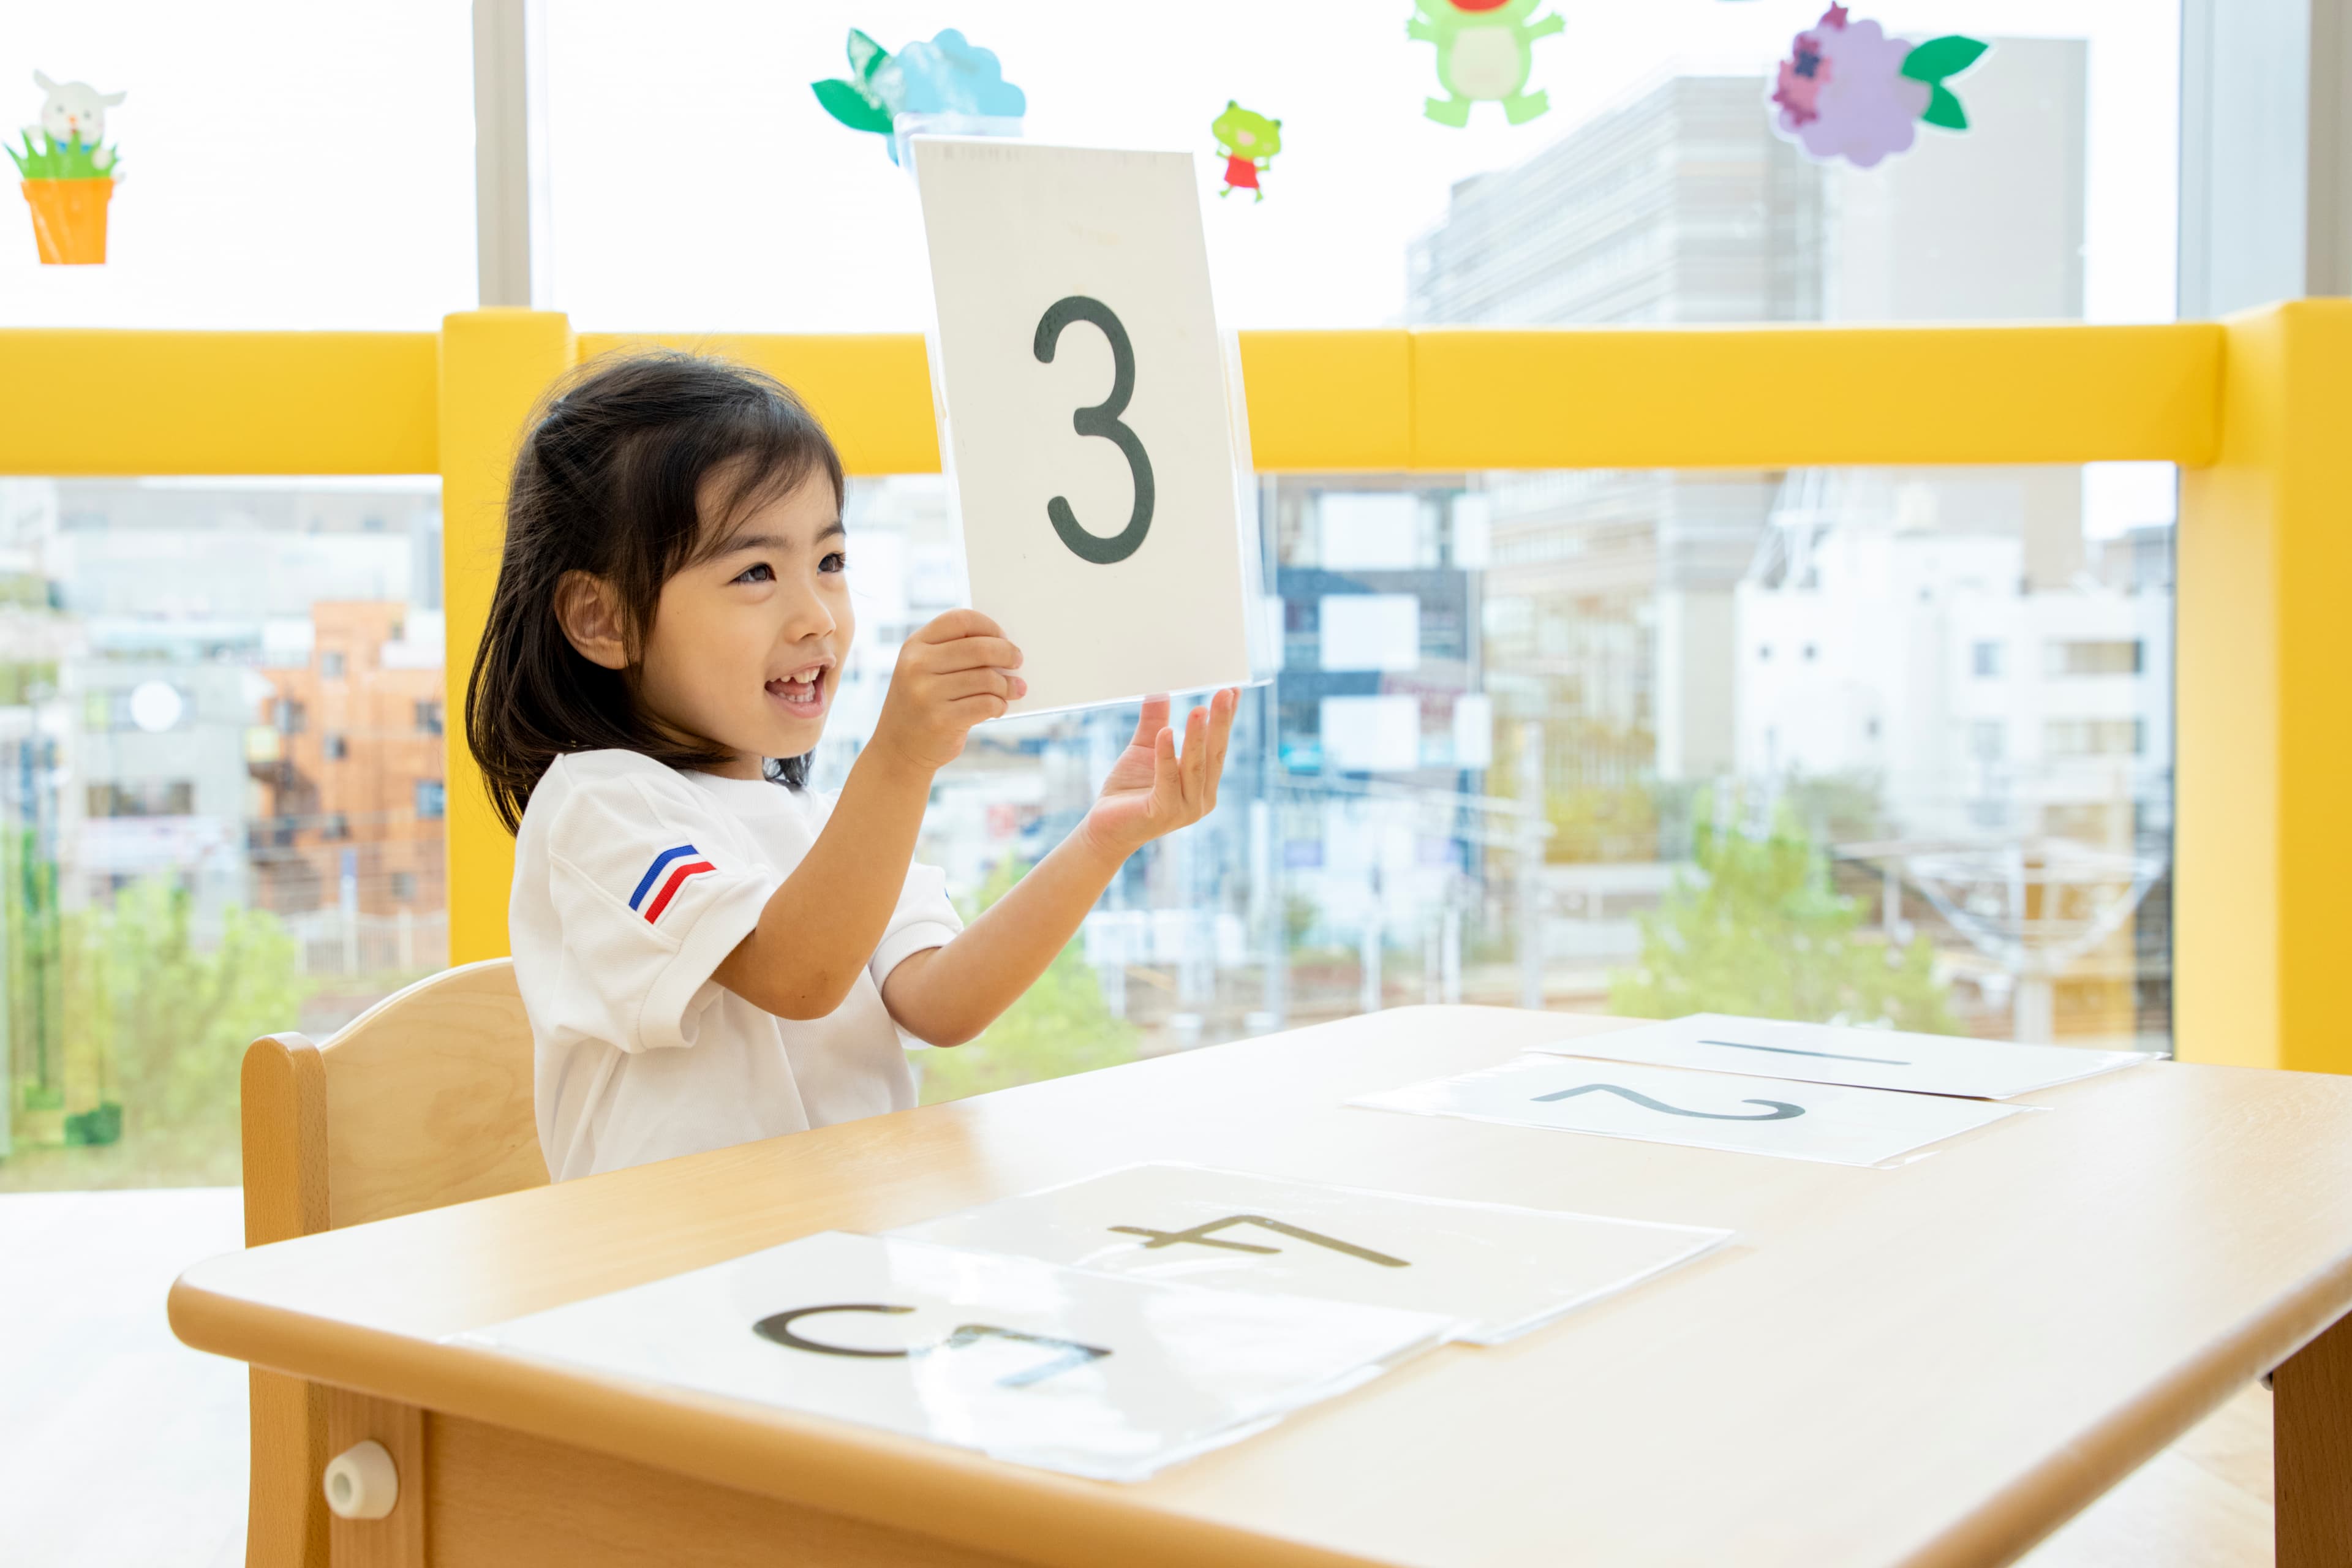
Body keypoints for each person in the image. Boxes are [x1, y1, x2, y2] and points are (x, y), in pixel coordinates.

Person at [466, 352, 1238, 1180]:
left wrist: (1100, 842)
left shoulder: (829, 822)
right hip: (672, 1276)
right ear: (602, 618)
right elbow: (797, 973)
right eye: (756, 572)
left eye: (830, 564)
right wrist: (901, 756)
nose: (817, 618)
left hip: (837, 1259)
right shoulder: (601, 807)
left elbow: (943, 1002)